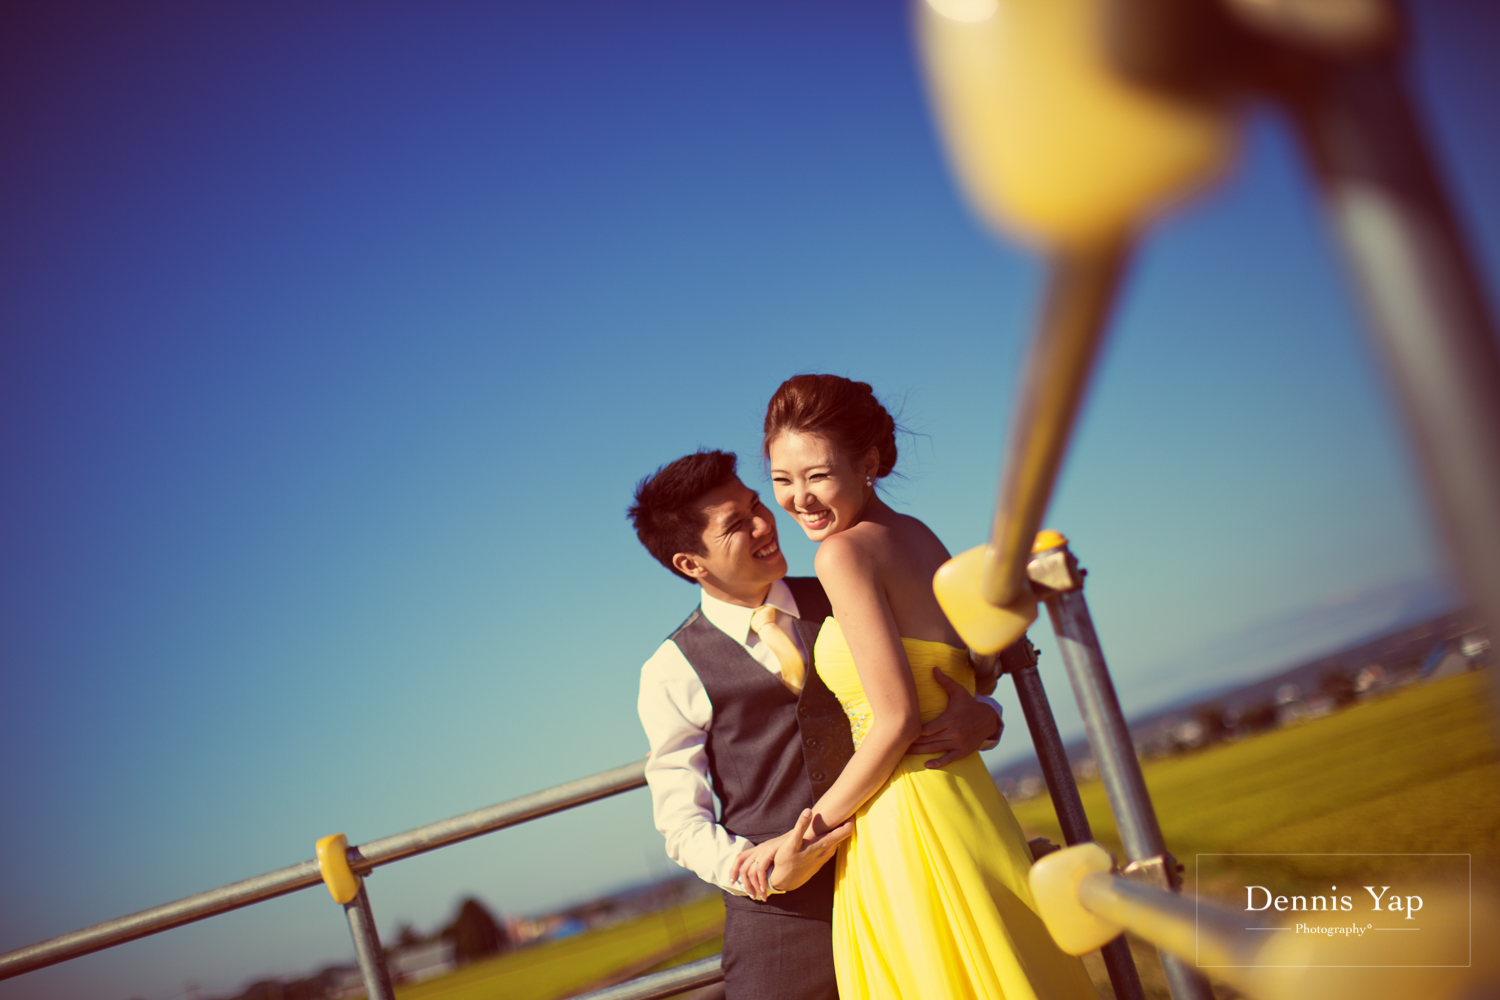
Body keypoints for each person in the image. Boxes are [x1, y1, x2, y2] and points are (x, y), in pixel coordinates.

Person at [736, 374, 1098, 1000]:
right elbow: (974, 667)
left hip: (907, 823)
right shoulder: (921, 537)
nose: (799, 500)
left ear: (869, 463)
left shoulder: (841, 557)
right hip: (967, 803)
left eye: (817, 475)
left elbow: (897, 719)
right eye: (782, 481)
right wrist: (985, 712)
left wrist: (801, 835)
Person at [630, 449, 1006, 1000]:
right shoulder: (669, 671)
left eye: (756, 505)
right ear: (691, 564)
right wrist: (761, 871)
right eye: (736, 524)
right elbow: (681, 822)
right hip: (785, 928)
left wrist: (986, 719)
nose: (765, 524)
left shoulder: (845, 588)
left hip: (901, 874)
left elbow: (940, 680)